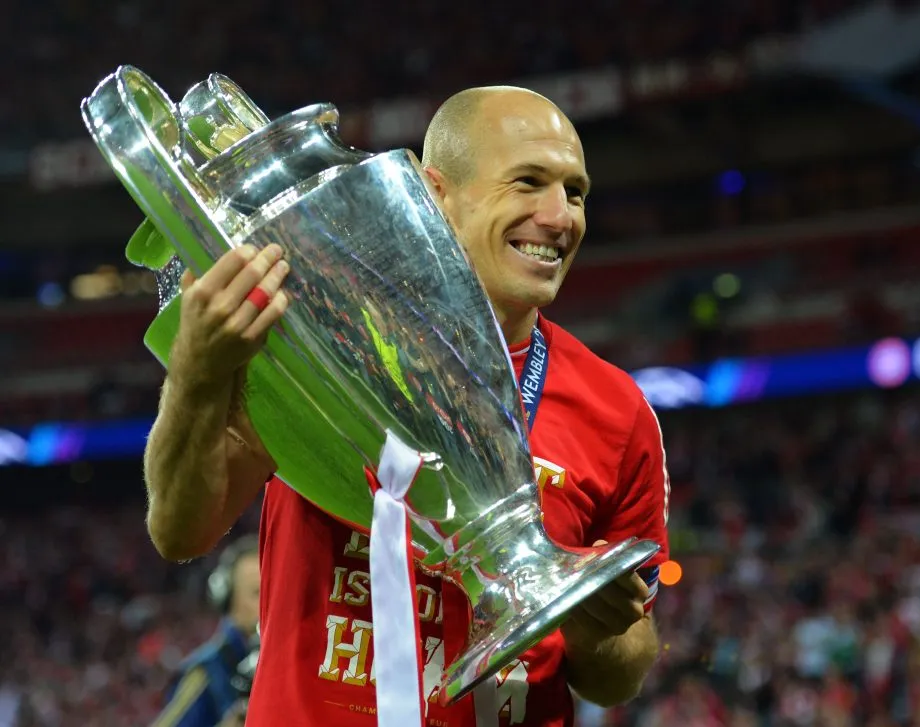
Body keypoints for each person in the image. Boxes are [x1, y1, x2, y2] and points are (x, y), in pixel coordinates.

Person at [143, 85, 671, 726]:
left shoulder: (616, 410)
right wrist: (197, 375)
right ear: (434, 194)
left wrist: (597, 626)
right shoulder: (319, 334)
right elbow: (179, 531)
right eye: (528, 182)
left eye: (576, 191)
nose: (561, 217)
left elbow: (620, 675)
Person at [150, 535, 261, 727]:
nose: (269, 604)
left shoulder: (286, 661)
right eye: (256, 593)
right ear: (227, 598)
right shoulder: (207, 671)